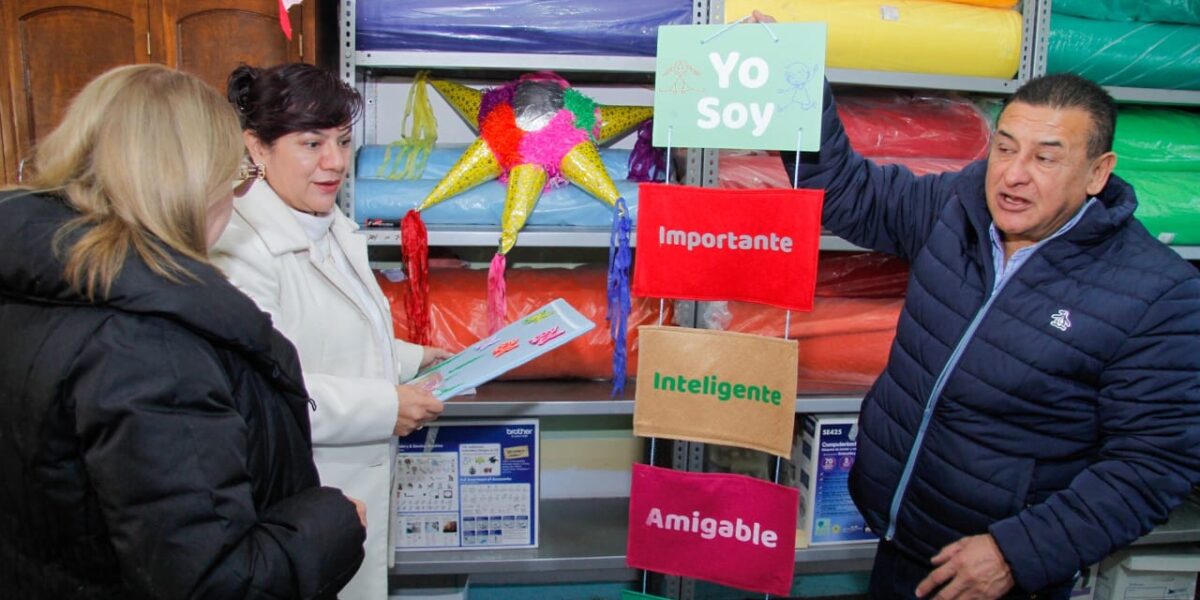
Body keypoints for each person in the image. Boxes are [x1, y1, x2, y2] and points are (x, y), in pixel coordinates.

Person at [752, 11, 1200, 600]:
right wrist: (796, 83)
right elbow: (850, 193)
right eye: (1005, 149)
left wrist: (1018, 553)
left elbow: (1154, 464)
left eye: (1045, 158)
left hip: (994, 573)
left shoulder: (1157, 293)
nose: (1013, 176)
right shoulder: (957, 206)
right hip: (898, 532)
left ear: (1098, 173)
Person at [0, 64, 366, 598]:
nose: (236, 195)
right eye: (234, 173)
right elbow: (214, 581)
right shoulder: (152, 347)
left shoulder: (35, 287)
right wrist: (331, 523)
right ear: (189, 180)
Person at [210, 63, 448, 599]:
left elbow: (324, 340)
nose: (336, 161)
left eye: (342, 140)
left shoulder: (329, 226)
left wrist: (411, 358)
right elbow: (263, 392)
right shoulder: (239, 248)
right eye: (312, 143)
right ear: (257, 147)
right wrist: (386, 406)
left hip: (348, 495)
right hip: (299, 502)